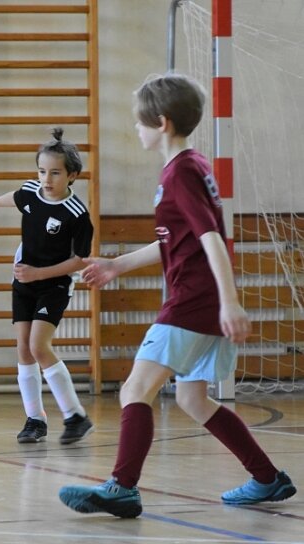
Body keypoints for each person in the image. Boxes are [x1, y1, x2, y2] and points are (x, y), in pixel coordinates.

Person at [58, 73, 296, 518]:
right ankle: (267, 478)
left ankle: (122, 487)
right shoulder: (192, 166)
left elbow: (210, 239)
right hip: (204, 300)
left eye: (140, 122)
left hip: (193, 300)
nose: (136, 129)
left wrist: (229, 301)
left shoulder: (183, 171)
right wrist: (118, 264)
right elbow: (177, 239)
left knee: (135, 388)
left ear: (161, 122)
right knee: (191, 398)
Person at [0, 128, 95, 445]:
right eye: (42, 171)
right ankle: (35, 419)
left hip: (53, 285)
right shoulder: (31, 192)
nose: (47, 178)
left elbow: (80, 261)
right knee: (23, 349)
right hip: (24, 282)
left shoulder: (77, 214)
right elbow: (17, 196)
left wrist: (39, 274)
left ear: (71, 175)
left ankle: (75, 415)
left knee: (38, 346)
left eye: (55, 172)